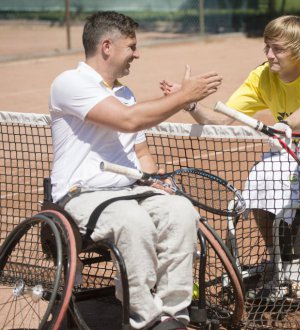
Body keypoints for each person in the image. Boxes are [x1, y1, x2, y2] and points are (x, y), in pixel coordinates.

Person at [160, 15, 300, 302]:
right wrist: (188, 102)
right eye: (267, 47)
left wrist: (288, 124)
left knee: (288, 188)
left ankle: (294, 273)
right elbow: (220, 119)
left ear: (298, 50)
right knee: (260, 183)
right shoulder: (262, 76)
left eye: (277, 49)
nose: (269, 54)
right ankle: (282, 260)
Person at [49, 11, 222, 330]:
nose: (137, 53)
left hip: (131, 191)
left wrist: (155, 180)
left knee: (180, 209)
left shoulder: (125, 94)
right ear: (107, 46)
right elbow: (129, 120)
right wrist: (184, 96)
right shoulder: (69, 83)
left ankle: (173, 312)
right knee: (133, 220)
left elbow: (140, 151)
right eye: (132, 46)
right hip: (81, 195)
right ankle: (143, 315)